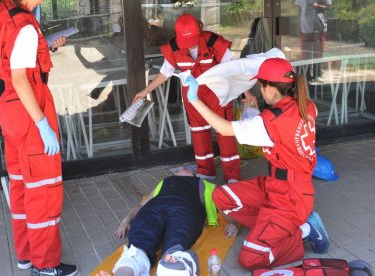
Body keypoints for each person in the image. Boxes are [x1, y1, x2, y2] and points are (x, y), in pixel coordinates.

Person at [183, 57, 330, 270]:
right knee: (220, 196)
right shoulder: (307, 105)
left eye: (260, 86)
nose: (260, 91)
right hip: (278, 186)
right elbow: (281, 130)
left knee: (250, 260)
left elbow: (224, 129)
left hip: (290, 199)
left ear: (270, 88)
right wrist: (256, 116)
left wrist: (195, 100)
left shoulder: (269, 120)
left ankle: (305, 230)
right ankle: (270, 229)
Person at [0, 1, 77, 276]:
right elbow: (21, 78)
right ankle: (45, 265)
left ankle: (26, 256)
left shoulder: (1, 13)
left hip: (10, 105)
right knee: (44, 191)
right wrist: (42, 123)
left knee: (22, 186)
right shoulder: (23, 25)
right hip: (29, 104)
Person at [133, 13, 241, 183]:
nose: (188, 45)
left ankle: (232, 177)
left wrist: (247, 92)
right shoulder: (174, 47)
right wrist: (145, 91)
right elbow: (164, 73)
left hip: (218, 96)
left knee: (225, 134)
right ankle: (206, 174)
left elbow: (235, 69)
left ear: (199, 31)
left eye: (191, 40)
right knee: (199, 136)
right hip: (193, 98)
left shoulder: (213, 42)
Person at [96, 169, 239, 276]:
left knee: (176, 241)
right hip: (155, 208)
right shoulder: (165, 181)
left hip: (186, 209)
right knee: (139, 241)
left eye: (183, 167)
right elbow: (141, 205)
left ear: (193, 173)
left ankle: (173, 265)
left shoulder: (205, 185)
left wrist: (234, 223)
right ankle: (128, 267)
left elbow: (225, 207)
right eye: (177, 169)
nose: (180, 168)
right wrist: (125, 221)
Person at [295, 0, 331, 83]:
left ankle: (317, 75)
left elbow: (328, 7)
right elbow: (299, 8)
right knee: (305, 52)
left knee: (318, 51)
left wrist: (317, 6)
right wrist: (299, 24)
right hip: (304, 26)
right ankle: (306, 76)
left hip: (318, 25)